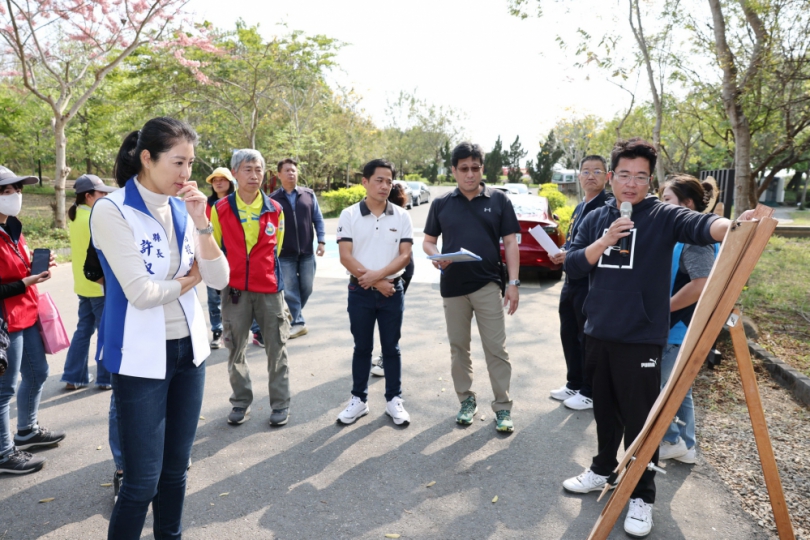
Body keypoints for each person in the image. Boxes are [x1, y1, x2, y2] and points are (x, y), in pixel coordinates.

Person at [561, 138, 747, 538]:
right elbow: (574, 265)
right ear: (612, 177)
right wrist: (605, 240)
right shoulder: (596, 217)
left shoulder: (663, 215)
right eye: (624, 175)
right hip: (598, 332)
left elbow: (700, 225)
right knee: (604, 411)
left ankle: (642, 495)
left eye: (641, 177)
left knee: (640, 421)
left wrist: (731, 226)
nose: (631, 184)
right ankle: (601, 470)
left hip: (642, 338)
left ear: (650, 180)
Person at [91, 117, 229, 538]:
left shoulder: (184, 208)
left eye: (191, 163)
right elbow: (141, 293)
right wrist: (189, 280)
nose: (186, 174)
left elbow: (220, 278)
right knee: (140, 483)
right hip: (140, 358)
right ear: (146, 159)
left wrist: (201, 221)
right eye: (178, 162)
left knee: (176, 473)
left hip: (190, 352)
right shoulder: (112, 209)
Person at [422, 142, 521, 433]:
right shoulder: (441, 203)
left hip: (488, 284)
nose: (469, 174)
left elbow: (511, 243)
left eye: (475, 168)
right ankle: (466, 400)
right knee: (458, 348)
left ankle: (503, 407)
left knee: (495, 348)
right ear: (453, 170)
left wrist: (513, 283)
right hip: (453, 287)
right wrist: (435, 255)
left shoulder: (499, 200)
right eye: (463, 168)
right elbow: (428, 239)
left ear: (482, 169)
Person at [211, 149, 290, 427]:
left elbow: (276, 249)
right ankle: (241, 402)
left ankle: (280, 404)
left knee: (277, 348)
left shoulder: (276, 209)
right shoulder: (220, 209)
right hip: (234, 292)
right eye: (247, 169)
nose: (254, 175)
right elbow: (215, 251)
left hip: (269, 289)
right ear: (234, 173)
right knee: (235, 349)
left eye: (258, 170)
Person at [335, 159, 413, 426]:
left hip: (393, 291)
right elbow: (345, 256)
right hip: (360, 291)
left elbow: (405, 256)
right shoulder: (349, 215)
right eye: (379, 180)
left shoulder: (402, 215)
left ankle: (394, 400)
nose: (384, 186)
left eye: (389, 181)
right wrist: (376, 281)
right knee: (362, 348)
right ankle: (359, 400)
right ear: (365, 182)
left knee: (391, 347)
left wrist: (379, 279)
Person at [0, 165, 66, 475]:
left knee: (38, 372)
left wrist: (37, 267)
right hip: (5, 322)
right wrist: (25, 282)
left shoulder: (13, 227)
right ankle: (3, 453)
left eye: (17, 189)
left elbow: (21, 265)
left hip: (26, 315)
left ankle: (26, 430)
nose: (14, 195)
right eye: (6, 190)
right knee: (4, 389)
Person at [658, 175, 719, 464]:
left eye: (667, 200)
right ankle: (687, 446)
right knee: (681, 388)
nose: (662, 206)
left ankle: (671, 440)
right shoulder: (686, 235)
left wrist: (664, 309)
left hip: (678, 328)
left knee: (660, 386)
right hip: (681, 326)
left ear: (687, 204)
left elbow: (700, 284)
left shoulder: (696, 241)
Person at [549, 156, 609, 411]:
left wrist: (571, 253)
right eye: (585, 171)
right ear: (578, 176)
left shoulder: (607, 206)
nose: (590, 175)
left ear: (607, 177)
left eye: (597, 171)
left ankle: (590, 390)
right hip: (571, 279)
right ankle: (573, 382)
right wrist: (562, 250)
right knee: (568, 333)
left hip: (590, 281)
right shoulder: (579, 206)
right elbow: (574, 240)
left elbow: (598, 246)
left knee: (587, 337)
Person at [61, 174, 117, 390]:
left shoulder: (76, 217)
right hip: (99, 285)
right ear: (88, 196)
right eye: (101, 193)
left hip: (83, 285)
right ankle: (105, 378)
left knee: (83, 330)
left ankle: (73, 376)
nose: (105, 196)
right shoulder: (94, 218)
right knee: (106, 331)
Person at [270, 158, 326, 339]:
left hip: (307, 252)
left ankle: (292, 314)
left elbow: (317, 218)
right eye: (286, 170)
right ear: (279, 175)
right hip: (285, 253)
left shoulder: (308, 194)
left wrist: (322, 241)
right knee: (291, 290)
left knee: (307, 287)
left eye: (293, 170)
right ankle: (298, 322)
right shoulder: (272, 199)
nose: (291, 173)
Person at [369, 183, 415, 378]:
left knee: (389, 322)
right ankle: (384, 357)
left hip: (399, 273)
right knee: (389, 321)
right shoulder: (378, 216)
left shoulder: (400, 217)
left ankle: (384, 359)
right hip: (397, 272)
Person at [204, 167, 236, 349]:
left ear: (230, 182)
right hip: (211, 253)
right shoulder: (205, 203)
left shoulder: (237, 203)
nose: (218, 182)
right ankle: (217, 331)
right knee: (213, 296)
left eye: (222, 179)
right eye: (214, 180)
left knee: (238, 295)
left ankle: (248, 330)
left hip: (234, 254)